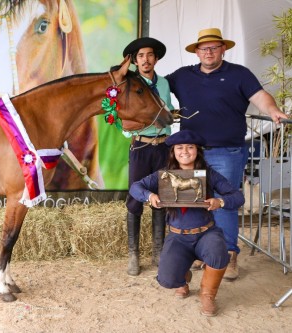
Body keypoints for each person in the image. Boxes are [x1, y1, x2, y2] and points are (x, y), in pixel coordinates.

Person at [165, 28, 288, 280]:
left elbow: (260, 96)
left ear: (223, 49)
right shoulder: (182, 76)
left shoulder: (239, 74)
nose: (208, 52)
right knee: (192, 203)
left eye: (213, 47)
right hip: (191, 153)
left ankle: (230, 254)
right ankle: (202, 252)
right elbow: (154, 88)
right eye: (203, 48)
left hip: (227, 151)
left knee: (224, 203)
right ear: (196, 52)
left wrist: (274, 110)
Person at [129, 130, 245, 316]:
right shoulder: (164, 175)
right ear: (173, 151)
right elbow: (135, 187)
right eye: (180, 148)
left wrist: (220, 202)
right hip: (177, 235)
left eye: (190, 147)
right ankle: (182, 278)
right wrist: (149, 195)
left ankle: (207, 295)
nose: (185, 151)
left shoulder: (209, 174)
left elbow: (237, 196)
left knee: (219, 253)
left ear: (197, 151)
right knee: (166, 279)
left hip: (205, 232)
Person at [122, 37, 174, 276]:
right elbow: (119, 115)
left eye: (150, 55)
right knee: (135, 195)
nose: (146, 59)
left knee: (162, 196)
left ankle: (159, 251)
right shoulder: (130, 84)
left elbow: (168, 112)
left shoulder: (164, 83)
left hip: (163, 147)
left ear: (156, 58)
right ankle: (133, 254)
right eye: (141, 56)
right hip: (141, 147)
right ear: (134, 60)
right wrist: (129, 127)